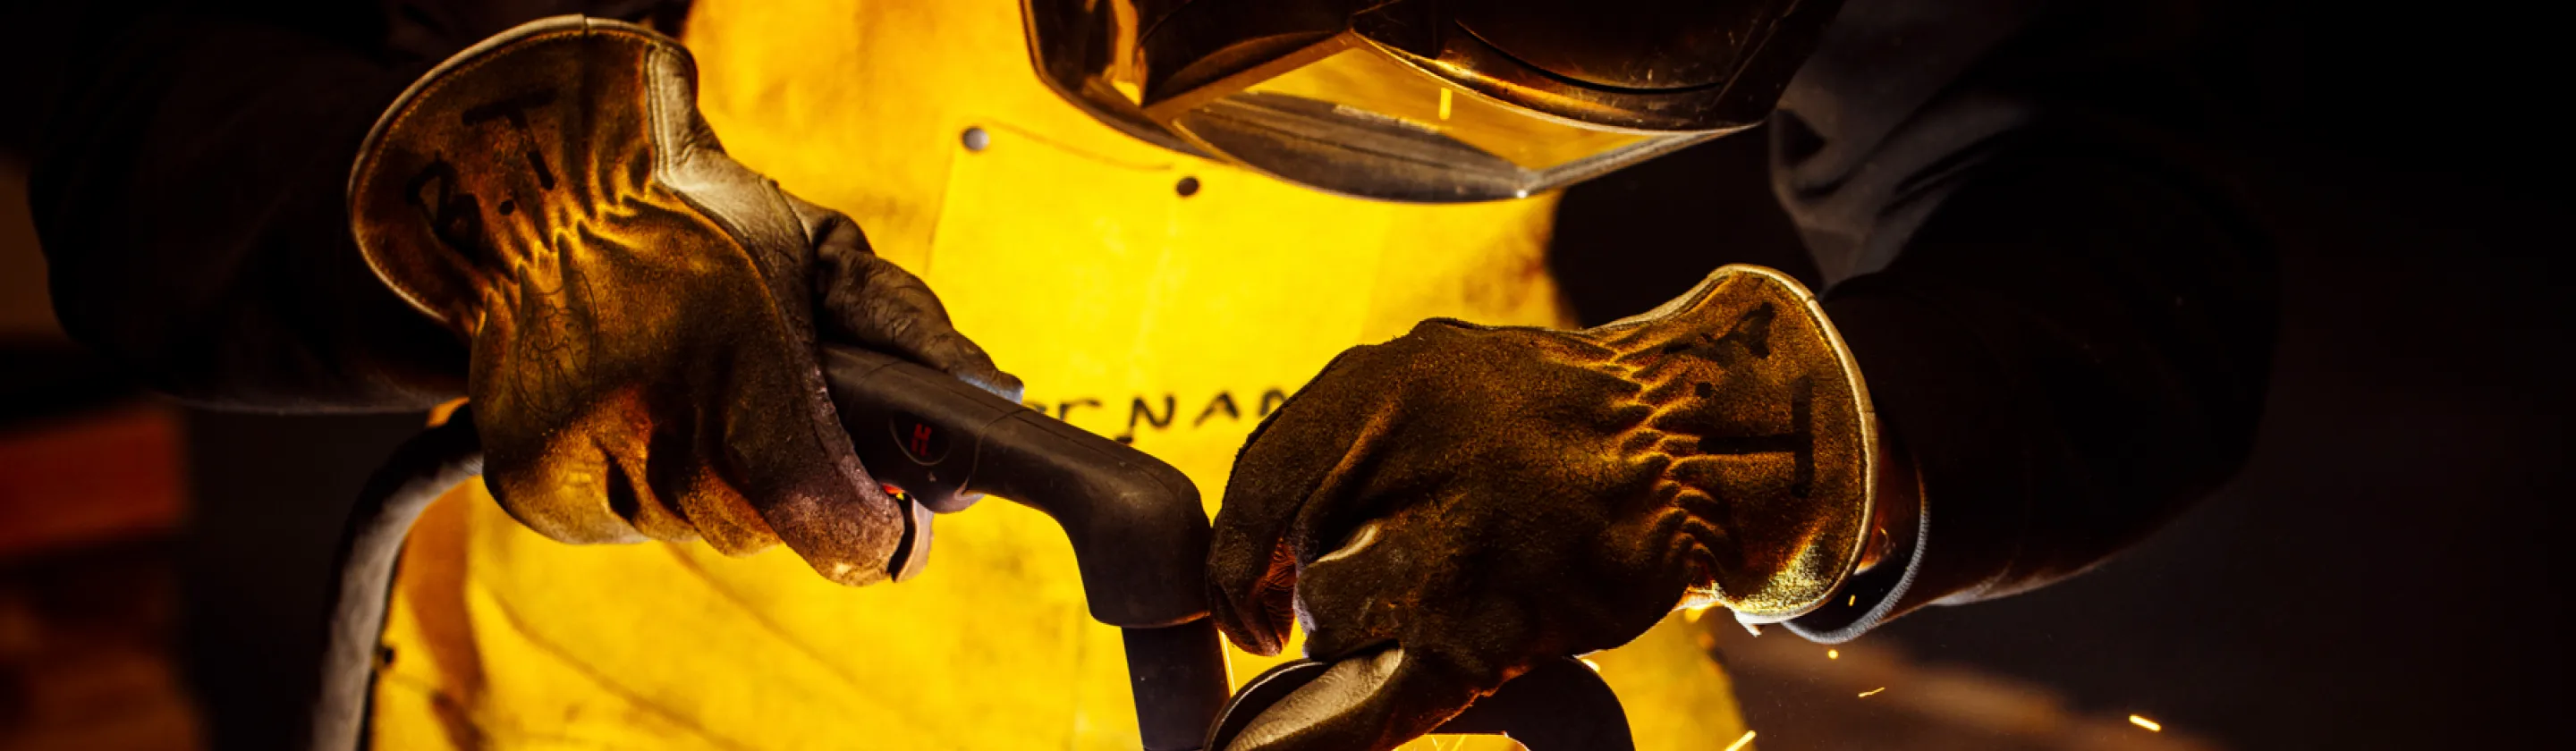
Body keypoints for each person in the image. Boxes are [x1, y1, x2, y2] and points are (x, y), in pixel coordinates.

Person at [30, 1, 2274, 749]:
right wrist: (538, 233)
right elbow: (150, 108)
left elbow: (2113, 209)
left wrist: (1740, 454)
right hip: (683, 694)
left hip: (1443, 650)